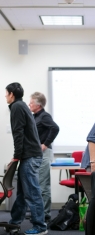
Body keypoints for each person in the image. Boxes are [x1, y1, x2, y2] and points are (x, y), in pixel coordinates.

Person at [5, 82, 47, 235]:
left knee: (32, 193)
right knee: (23, 193)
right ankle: (14, 222)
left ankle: (41, 227)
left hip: (30, 156)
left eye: (6, 93)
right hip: (30, 155)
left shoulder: (17, 107)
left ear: (11, 94)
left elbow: (18, 134)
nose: (5, 96)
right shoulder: (21, 106)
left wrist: (16, 157)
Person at [29, 92, 59, 223]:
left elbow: (55, 128)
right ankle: (39, 212)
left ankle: (45, 213)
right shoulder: (36, 116)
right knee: (38, 184)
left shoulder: (44, 116)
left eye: (31, 103)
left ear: (38, 105)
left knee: (43, 184)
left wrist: (45, 144)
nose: (29, 104)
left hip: (44, 154)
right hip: (36, 154)